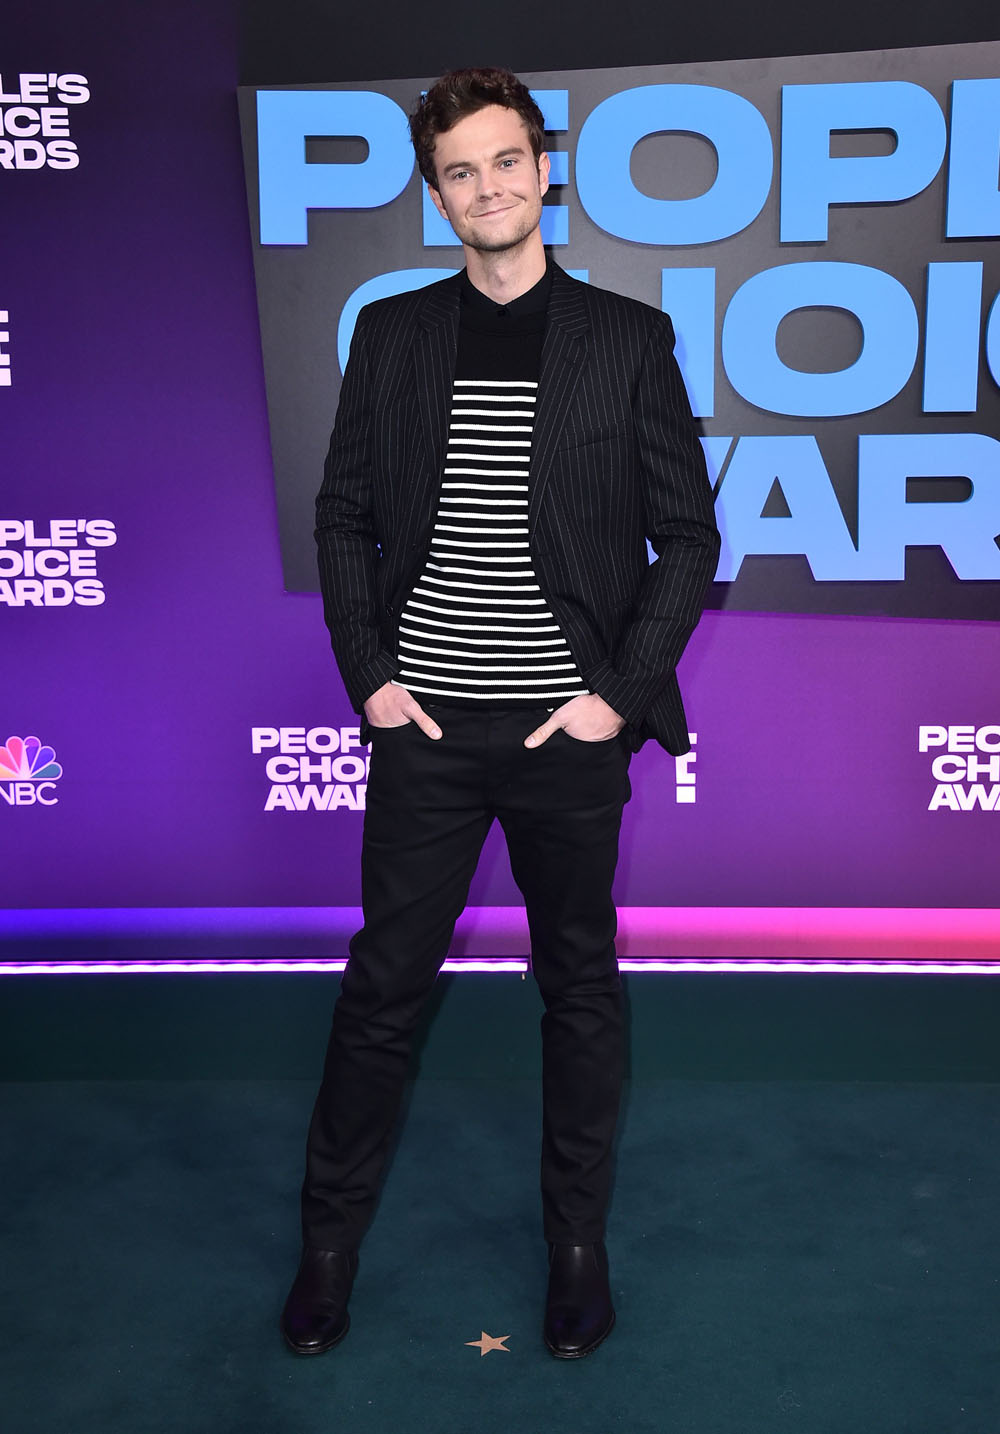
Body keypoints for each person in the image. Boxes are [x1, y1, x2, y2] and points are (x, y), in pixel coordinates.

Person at [281, 65, 720, 1360]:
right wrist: (372, 677)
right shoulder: (396, 334)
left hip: (563, 736)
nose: (488, 186)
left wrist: (614, 700)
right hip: (425, 735)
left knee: (578, 985)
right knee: (381, 991)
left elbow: (686, 541)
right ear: (438, 195)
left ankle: (578, 1246)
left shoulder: (629, 339)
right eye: (460, 171)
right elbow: (343, 518)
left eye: (506, 161)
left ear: (545, 171)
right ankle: (327, 1243)